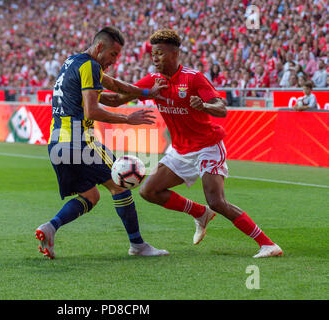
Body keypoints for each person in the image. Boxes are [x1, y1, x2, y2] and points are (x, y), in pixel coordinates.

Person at [100, 29, 283, 258]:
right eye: (153, 54)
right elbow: (118, 99)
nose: (155, 58)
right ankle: (199, 213)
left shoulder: (193, 77)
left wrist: (204, 106)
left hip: (207, 145)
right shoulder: (153, 81)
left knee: (216, 201)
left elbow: (222, 108)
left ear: (175, 54)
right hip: (180, 151)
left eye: (160, 53)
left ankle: (268, 244)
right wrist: (86, 92)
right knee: (149, 191)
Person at [35, 26, 169, 259]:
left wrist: (147, 92)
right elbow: (92, 109)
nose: (114, 61)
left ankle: (50, 227)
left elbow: (116, 92)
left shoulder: (73, 63)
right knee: (120, 183)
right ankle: (137, 245)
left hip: (57, 144)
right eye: (113, 55)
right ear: (99, 47)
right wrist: (128, 119)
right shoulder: (91, 66)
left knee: (91, 196)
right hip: (79, 142)